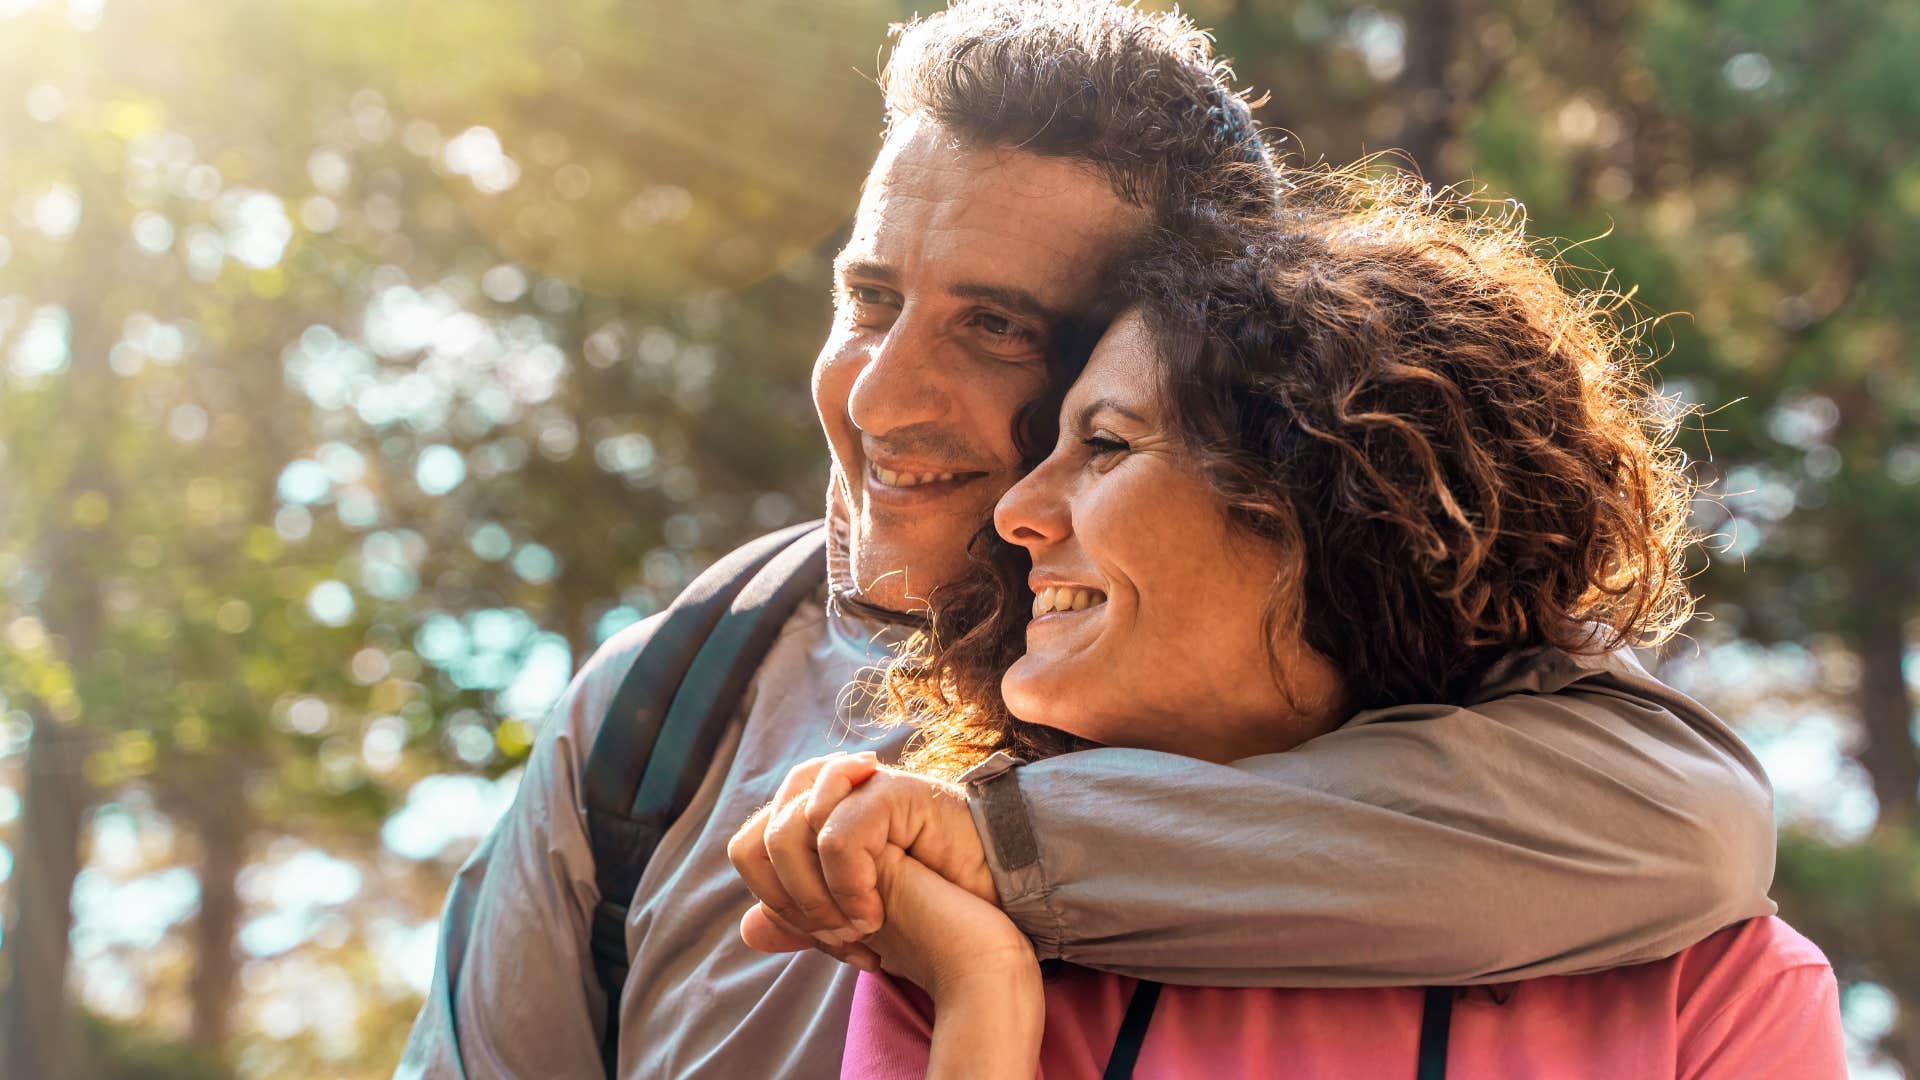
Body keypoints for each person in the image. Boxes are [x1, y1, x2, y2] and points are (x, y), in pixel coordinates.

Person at [400, 3, 1775, 1076]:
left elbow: (1695, 830)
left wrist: (978, 845)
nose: (880, 398)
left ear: (1191, 347)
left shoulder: (1441, 703)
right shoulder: (664, 706)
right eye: (870, 297)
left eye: (997, 326)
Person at [807, 177, 1845, 1077]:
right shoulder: (949, 935)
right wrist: (984, 992)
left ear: (1341, 504)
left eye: (1108, 445)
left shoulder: (1711, 992)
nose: (1017, 512)